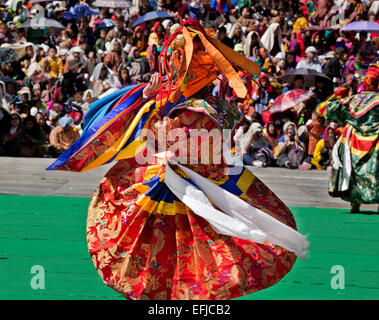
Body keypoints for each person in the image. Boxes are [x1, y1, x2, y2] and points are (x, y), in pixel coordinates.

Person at [47, 19, 309, 300]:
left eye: (176, 62)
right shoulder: (217, 107)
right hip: (212, 181)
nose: (171, 68)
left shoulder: (192, 111)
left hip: (182, 185)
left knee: (170, 249)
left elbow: (163, 140)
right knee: (198, 251)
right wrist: (154, 100)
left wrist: (152, 107)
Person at [320, 63, 379, 213]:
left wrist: (343, 91)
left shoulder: (354, 99)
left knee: (353, 170)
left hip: (354, 141)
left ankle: (354, 202)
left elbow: (327, 109)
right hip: (376, 140)